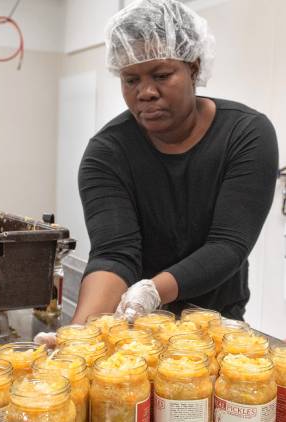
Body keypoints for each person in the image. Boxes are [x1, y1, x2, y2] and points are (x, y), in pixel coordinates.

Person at [70, 0, 278, 324]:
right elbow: (114, 254)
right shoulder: (108, 153)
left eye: (161, 75)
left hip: (216, 324)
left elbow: (227, 246)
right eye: (131, 79)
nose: (146, 92)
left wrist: (152, 291)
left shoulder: (245, 134)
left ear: (193, 67)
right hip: (136, 327)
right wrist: (81, 333)